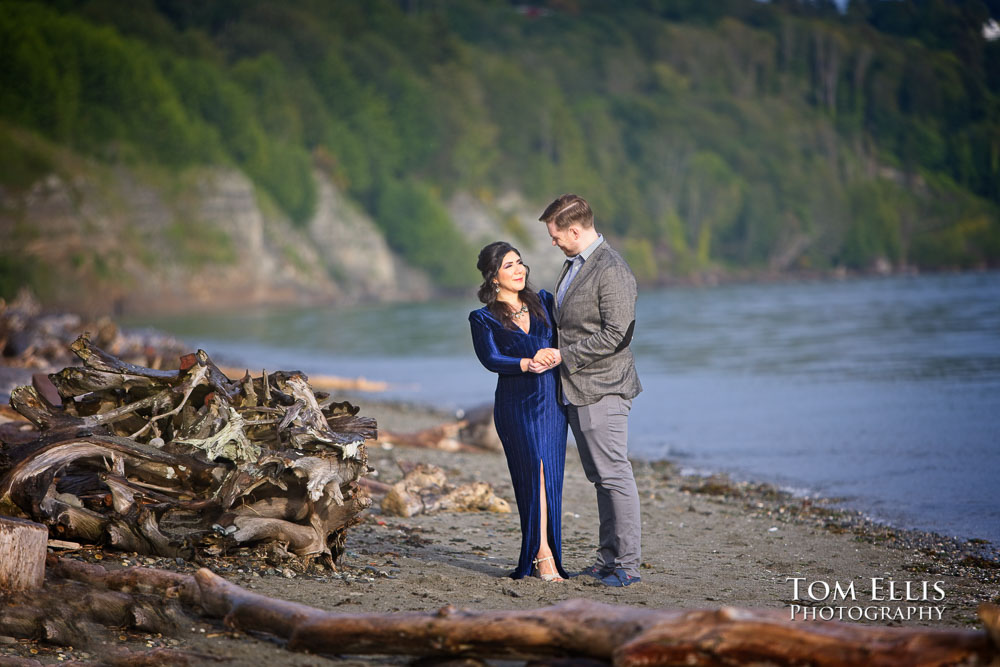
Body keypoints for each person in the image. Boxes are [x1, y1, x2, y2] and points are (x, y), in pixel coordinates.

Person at [536, 194, 643, 587]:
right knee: (601, 478)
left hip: (605, 388)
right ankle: (607, 560)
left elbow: (619, 334)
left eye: (555, 235)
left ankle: (628, 566)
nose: (553, 242)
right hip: (578, 388)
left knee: (615, 475)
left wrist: (564, 356)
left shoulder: (611, 268)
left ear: (575, 230)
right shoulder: (573, 266)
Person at [468, 241, 569, 581]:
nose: (519, 269)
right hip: (517, 406)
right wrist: (527, 362)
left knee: (550, 475)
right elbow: (490, 359)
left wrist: (557, 354)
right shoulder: (482, 318)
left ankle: (549, 551)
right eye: (509, 265)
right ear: (493, 276)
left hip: (552, 405)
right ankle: (541, 555)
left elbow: (567, 336)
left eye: (520, 262)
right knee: (532, 475)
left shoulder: (543, 301)